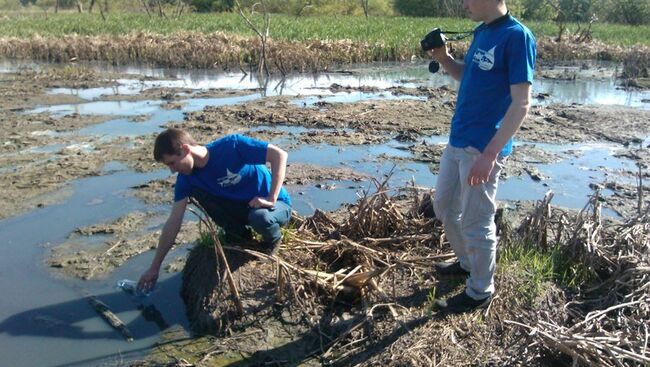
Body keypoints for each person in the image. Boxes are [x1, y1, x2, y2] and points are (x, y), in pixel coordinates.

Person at [429, 0, 536, 313]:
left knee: (477, 221)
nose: (464, 3)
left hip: (483, 147)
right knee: (445, 206)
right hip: (458, 139)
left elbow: (521, 103)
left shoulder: (518, 37)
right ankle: (467, 263)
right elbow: (469, 75)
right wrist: (444, 59)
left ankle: (479, 291)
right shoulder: (481, 32)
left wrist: (490, 154)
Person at [137, 128, 292, 292]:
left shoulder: (232, 146)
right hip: (243, 209)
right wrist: (154, 268)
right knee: (198, 191)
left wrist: (271, 198)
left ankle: (272, 241)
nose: (172, 170)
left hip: (274, 206)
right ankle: (238, 233)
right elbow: (174, 221)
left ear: (185, 149)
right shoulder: (186, 179)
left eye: (172, 163)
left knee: (261, 217)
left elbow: (279, 155)